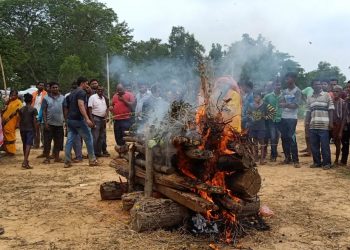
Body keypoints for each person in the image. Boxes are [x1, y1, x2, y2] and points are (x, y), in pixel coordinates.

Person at [64, 76, 99, 168]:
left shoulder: (71, 93)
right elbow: (81, 105)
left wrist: (66, 119)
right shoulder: (81, 92)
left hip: (70, 120)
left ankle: (67, 161)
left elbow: (66, 107)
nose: (87, 85)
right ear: (82, 83)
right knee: (89, 138)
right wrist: (87, 119)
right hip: (78, 120)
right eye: (86, 83)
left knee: (70, 140)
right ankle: (92, 160)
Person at [305, 79, 334, 169]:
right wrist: (306, 123)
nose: (318, 85)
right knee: (314, 146)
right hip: (313, 125)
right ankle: (317, 162)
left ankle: (327, 163)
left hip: (324, 125)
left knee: (325, 145)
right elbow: (308, 112)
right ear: (312, 86)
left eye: (319, 84)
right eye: (316, 84)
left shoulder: (326, 95)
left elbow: (331, 109)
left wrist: (331, 123)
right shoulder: (309, 97)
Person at [279, 72, 301, 167]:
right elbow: (280, 102)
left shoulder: (297, 91)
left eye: (288, 78)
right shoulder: (284, 91)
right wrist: (286, 104)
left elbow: (295, 105)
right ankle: (287, 158)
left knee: (291, 138)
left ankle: (296, 160)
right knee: (284, 138)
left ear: (294, 79)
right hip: (284, 117)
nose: (287, 80)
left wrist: (285, 104)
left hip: (292, 118)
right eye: (286, 78)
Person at [247, 91, 275, 165]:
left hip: (261, 127)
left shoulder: (265, 105)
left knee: (262, 142)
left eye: (257, 97)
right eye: (254, 97)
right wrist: (250, 117)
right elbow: (248, 113)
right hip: (253, 126)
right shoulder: (251, 105)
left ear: (260, 96)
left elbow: (273, 111)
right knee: (255, 142)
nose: (256, 98)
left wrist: (266, 117)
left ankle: (262, 159)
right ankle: (256, 157)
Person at [42, 82, 65, 164]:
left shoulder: (63, 98)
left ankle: (57, 157)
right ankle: (47, 158)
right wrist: (45, 123)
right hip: (49, 124)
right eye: (53, 87)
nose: (55, 89)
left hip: (59, 124)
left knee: (58, 142)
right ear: (50, 88)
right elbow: (44, 111)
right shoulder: (46, 98)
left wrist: (65, 121)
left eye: (56, 87)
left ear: (58, 88)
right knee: (47, 142)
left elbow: (65, 110)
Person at [263, 80, 282, 162]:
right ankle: (273, 155)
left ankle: (275, 153)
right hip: (271, 120)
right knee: (273, 137)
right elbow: (262, 104)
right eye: (276, 85)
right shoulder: (268, 96)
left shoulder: (284, 96)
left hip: (281, 119)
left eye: (279, 85)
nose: (278, 86)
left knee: (278, 137)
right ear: (273, 86)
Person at [88, 85, 108, 157]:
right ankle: (91, 153)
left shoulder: (103, 98)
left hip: (102, 119)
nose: (100, 91)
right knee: (95, 137)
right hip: (95, 118)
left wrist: (106, 118)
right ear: (96, 90)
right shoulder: (92, 97)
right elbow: (89, 109)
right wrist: (92, 120)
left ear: (103, 91)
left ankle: (98, 153)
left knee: (101, 137)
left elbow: (106, 109)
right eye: (98, 90)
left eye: (101, 90)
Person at [18, 93, 37, 168]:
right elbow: (34, 121)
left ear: (25, 101)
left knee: (24, 144)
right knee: (28, 145)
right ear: (32, 100)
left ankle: (25, 160)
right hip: (30, 129)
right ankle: (25, 161)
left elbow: (20, 120)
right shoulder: (33, 109)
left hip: (22, 129)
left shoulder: (21, 109)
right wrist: (35, 130)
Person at [1, 90, 22, 156]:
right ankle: (7, 150)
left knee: (10, 136)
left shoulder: (19, 102)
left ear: (17, 95)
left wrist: (18, 123)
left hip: (12, 122)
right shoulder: (9, 102)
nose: (13, 96)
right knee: (5, 136)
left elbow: (19, 114)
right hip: (5, 122)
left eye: (14, 95)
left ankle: (11, 151)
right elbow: (4, 109)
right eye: (11, 95)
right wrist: (7, 102)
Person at [332, 85, 347, 165]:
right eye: (334, 91)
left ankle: (337, 160)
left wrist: (341, 131)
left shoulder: (343, 103)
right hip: (331, 125)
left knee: (337, 143)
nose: (335, 93)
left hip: (339, 125)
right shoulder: (330, 101)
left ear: (341, 92)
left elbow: (344, 118)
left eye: (337, 91)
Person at [31, 81, 47, 148]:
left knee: (43, 130)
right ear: (37, 86)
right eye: (40, 85)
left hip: (42, 114)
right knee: (35, 130)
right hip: (34, 114)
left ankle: (44, 144)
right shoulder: (33, 94)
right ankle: (36, 144)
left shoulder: (46, 94)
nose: (41, 86)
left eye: (42, 85)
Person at [300, 85, 314, 156]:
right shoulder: (309, 88)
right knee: (307, 131)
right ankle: (308, 148)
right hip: (307, 113)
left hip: (315, 114)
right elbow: (301, 93)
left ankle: (311, 150)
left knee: (312, 132)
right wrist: (305, 101)